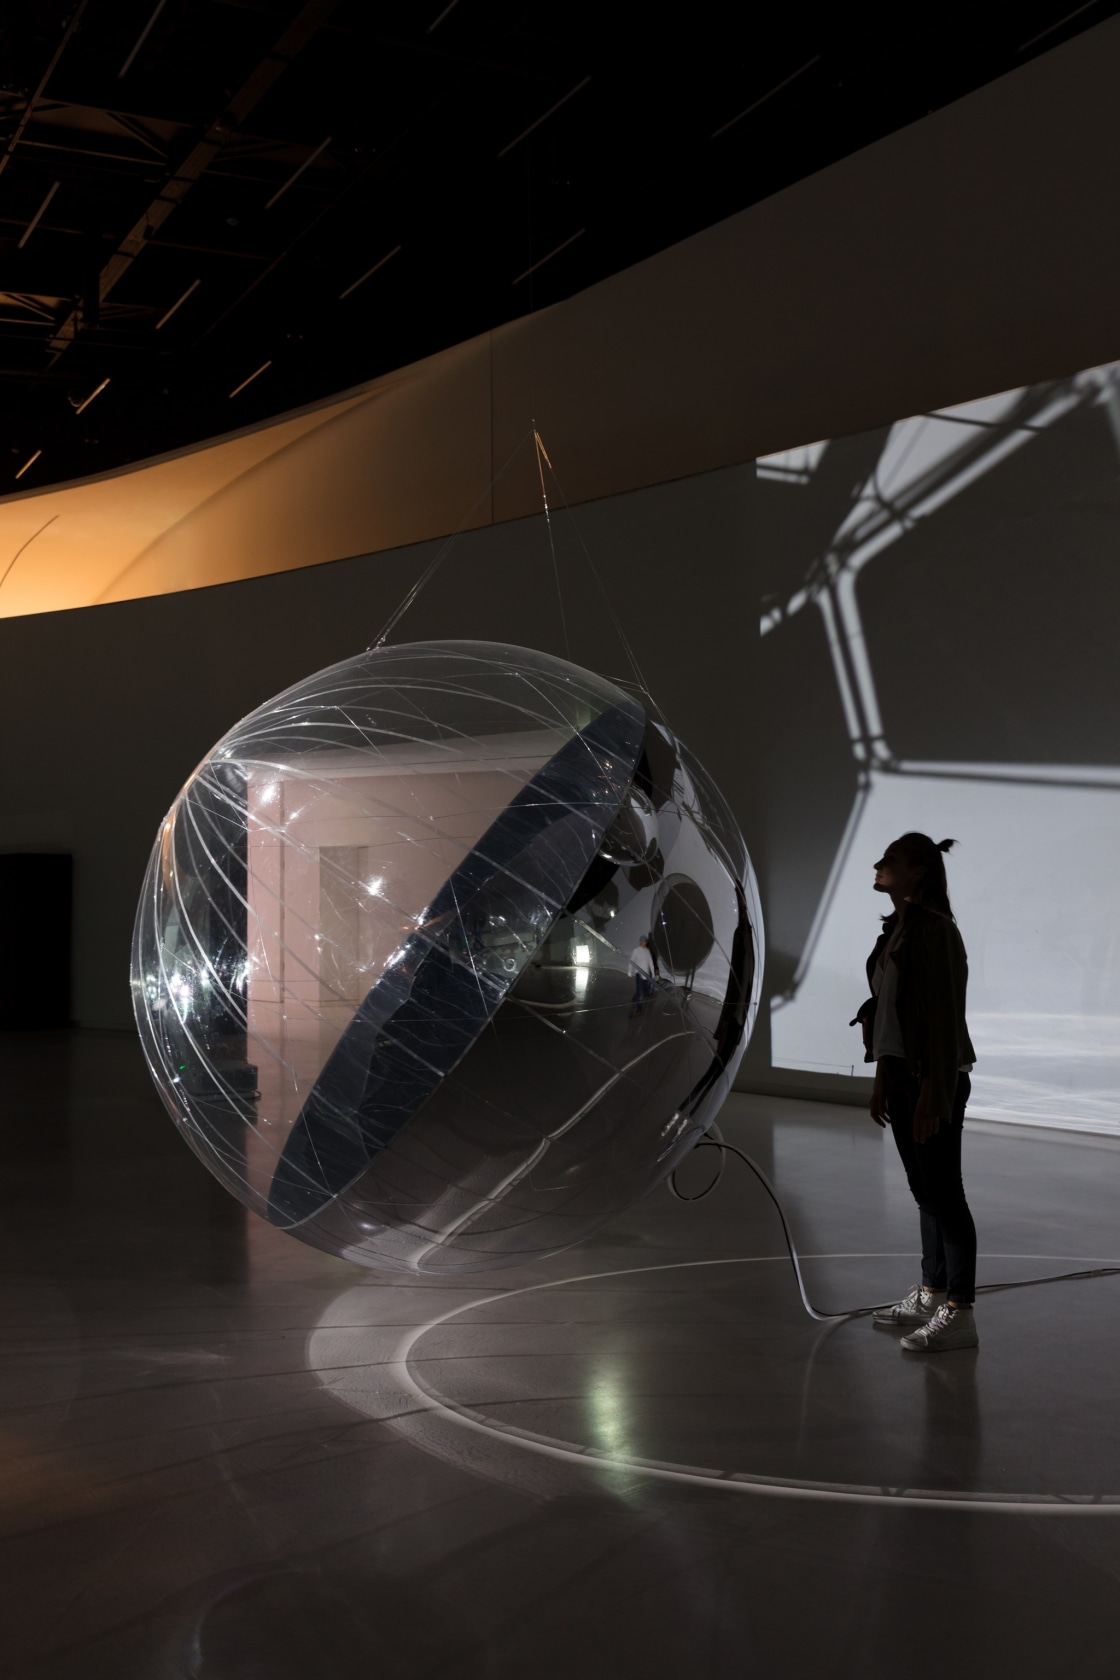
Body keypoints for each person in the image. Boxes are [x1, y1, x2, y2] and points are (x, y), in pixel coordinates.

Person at [851, 833, 979, 1353]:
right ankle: (932, 1291)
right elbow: (886, 1014)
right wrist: (883, 1078)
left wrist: (935, 1091)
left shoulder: (936, 932)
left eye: (893, 861)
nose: (879, 866)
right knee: (925, 1191)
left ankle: (961, 1310)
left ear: (920, 872)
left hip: (932, 1079)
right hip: (903, 1077)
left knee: (946, 1195)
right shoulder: (895, 932)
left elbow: (946, 1018)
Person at [629, 935, 659, 1016]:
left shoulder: (647, 951)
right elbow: (632, 961)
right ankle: (638, 1009)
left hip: (646, 974)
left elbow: (651, 963)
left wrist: (652, 974)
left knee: (643, 991)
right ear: (640, 942)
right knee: (641, 992)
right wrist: (629, 972)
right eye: (642, 941)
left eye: (645, 942)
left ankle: (634, 1000)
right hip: (639, 973)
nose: (644, 943)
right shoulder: (636, 951)